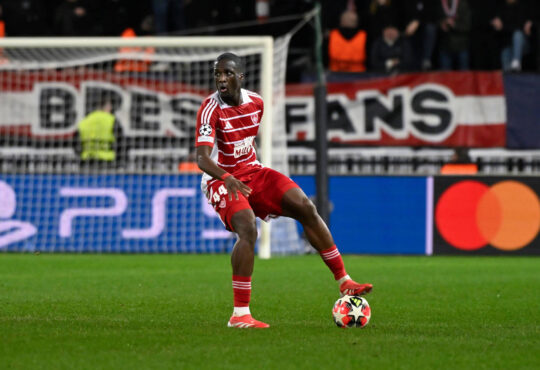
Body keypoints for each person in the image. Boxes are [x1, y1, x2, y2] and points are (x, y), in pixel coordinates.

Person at [195, 53, 372, 329]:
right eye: (217, 73)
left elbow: (247, 145)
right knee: (247, 228)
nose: (221, 79)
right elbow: (203, 159)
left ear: (240, 76)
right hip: (220, 179)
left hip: (253, 172)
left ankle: (344, 281)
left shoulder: (257, 103)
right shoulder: (210, 109)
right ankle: (240, 315)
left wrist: (265, 197)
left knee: (305, 206)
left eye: (227, 73)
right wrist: (227, 177)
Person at [76, 97, 122, 163]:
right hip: (107, 161)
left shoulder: (84, 121)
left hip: (87, 161)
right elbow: (121, 141)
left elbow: (76, 143)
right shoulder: (112, 120)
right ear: (107, 106)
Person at [491, 0, 533, 72]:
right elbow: (497, 27)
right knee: (507, 72)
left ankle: (516, 61)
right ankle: (513, 67)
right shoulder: (500, 8)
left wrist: (503, 27)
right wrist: (498, 26)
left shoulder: (522, 6)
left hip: (522, 44)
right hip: (506, 44)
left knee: (517, 34)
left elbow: (520, 27)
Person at [436, 0, 472, 70]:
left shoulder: (462, 4)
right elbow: (433, 20)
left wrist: (455, 25)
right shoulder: (440, 3)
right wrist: (441, 24)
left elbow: (468, 25)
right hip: (445, 46)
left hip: (461, 46)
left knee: (464, 76)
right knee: (445, 77)